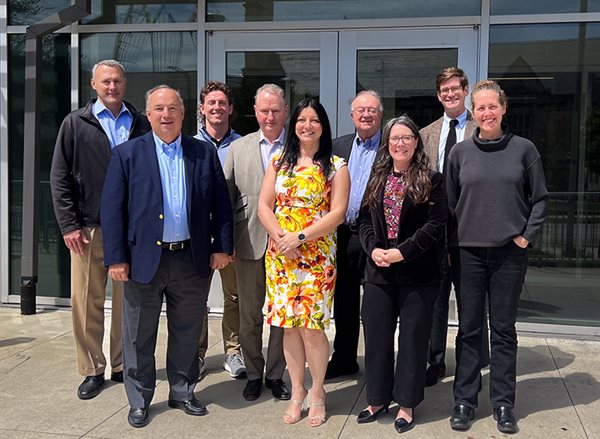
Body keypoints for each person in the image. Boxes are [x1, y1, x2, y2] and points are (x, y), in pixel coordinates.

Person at [100, 85, 233, 428]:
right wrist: (116, 258)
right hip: (142, 261)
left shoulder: (202, 153)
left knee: (187, 332)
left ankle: (183, 391)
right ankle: (139, 399)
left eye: (172, 108)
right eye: (158, 108)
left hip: (191, 258)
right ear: (148, 114)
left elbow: (221, 205)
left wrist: (222, 247)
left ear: (184, 113)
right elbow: (112, 212)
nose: (166, 115)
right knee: (138, 335)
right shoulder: (127, 154)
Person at [447, 80, 548, 434]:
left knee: (503, 331)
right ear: (472, 112)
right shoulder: (460, 154)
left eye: (493, 106)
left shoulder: (524, 149)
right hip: (468, 255)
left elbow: (540, 199)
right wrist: (451, 248)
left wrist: (525, 237)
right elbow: (450, 205)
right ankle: (465, 400)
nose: (486, 113)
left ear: (503, 109)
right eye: (480, 107)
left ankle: (503, 403)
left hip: (509, 253)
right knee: (469, 330)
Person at [50, 59, 150, 400]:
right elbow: (60, 177)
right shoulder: (75, 123)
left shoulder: (141, 122)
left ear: (125, 84)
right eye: (105, 82)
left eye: (117, 81)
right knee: (86, 302)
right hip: (88, 230)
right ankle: (92, 369)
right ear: (94, 85)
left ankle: (123, 365)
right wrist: (68, 224)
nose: (112, 87)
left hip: (131, 230)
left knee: (128, 303)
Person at [258, 98, 350, 426]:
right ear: (293, 124)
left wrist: (298, 238)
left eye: (314, 120)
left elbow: (338, 213)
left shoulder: (336, 165)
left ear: (323, 126)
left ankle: (318, 392)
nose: (306, 125)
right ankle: (297, 391)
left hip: (316, 258)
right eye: (301, 119)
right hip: (281, 258)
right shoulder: (279, 163)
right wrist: (282, 238)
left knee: (312, 328)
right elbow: (264, 207)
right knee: (290, 328)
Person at [357, 116, 447, 434]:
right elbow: (364, 220)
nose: (400, 143)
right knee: (378, 337)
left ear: (416, 142)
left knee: (411, 341)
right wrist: (373, 250)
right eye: (394, 138)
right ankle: (377, 399)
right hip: (379, 272)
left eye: (406, 137)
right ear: (387, 144)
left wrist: (402, 252)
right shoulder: (377, 178)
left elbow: (435, 225)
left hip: (418, 273)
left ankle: (406, 404)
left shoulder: (431, 180)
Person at [223, 84, 290, 401]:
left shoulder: (299, 146)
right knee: (249, 314)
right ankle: (253, 373)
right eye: (264, 110)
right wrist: (224, 242)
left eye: (275, 110)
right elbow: (226, 198)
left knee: (281, 315)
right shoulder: (239, 148)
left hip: (288, 246)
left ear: (285, 111)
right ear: (256, 112)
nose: (270, 116)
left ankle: (276, 374)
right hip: (248, 242)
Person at [419, 67, 480, 387]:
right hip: (437, 230)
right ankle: (436, 360)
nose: (450, 94)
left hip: (472, 228)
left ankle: (472, 358)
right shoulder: (427, 133)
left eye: (455, 88)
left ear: (466, 90)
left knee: (471, 298)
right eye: (444, 90)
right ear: (438, 94)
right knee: (437, 298)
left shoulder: (481, 127)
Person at [326, 90, 383, 380]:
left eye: (372, 110)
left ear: (380, 115)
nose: (366, 114)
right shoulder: (337, 147)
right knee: (345, 302)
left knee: (376, 304)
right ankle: (345, 358)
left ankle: (378, 361)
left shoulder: (391, 146)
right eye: (360, 110)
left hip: (376, 238)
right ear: (351, 116)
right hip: (343, 236)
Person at [195, 80, 245, 378]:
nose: (217, 108)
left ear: (231, 109)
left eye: (222, 103)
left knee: (235, 296)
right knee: (195, 296)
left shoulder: (242, 145)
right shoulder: (188, 144)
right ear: (202, 109)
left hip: (231, 234)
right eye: (211, 103)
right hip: (198, 235)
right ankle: (197, 353)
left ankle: (233, 351)